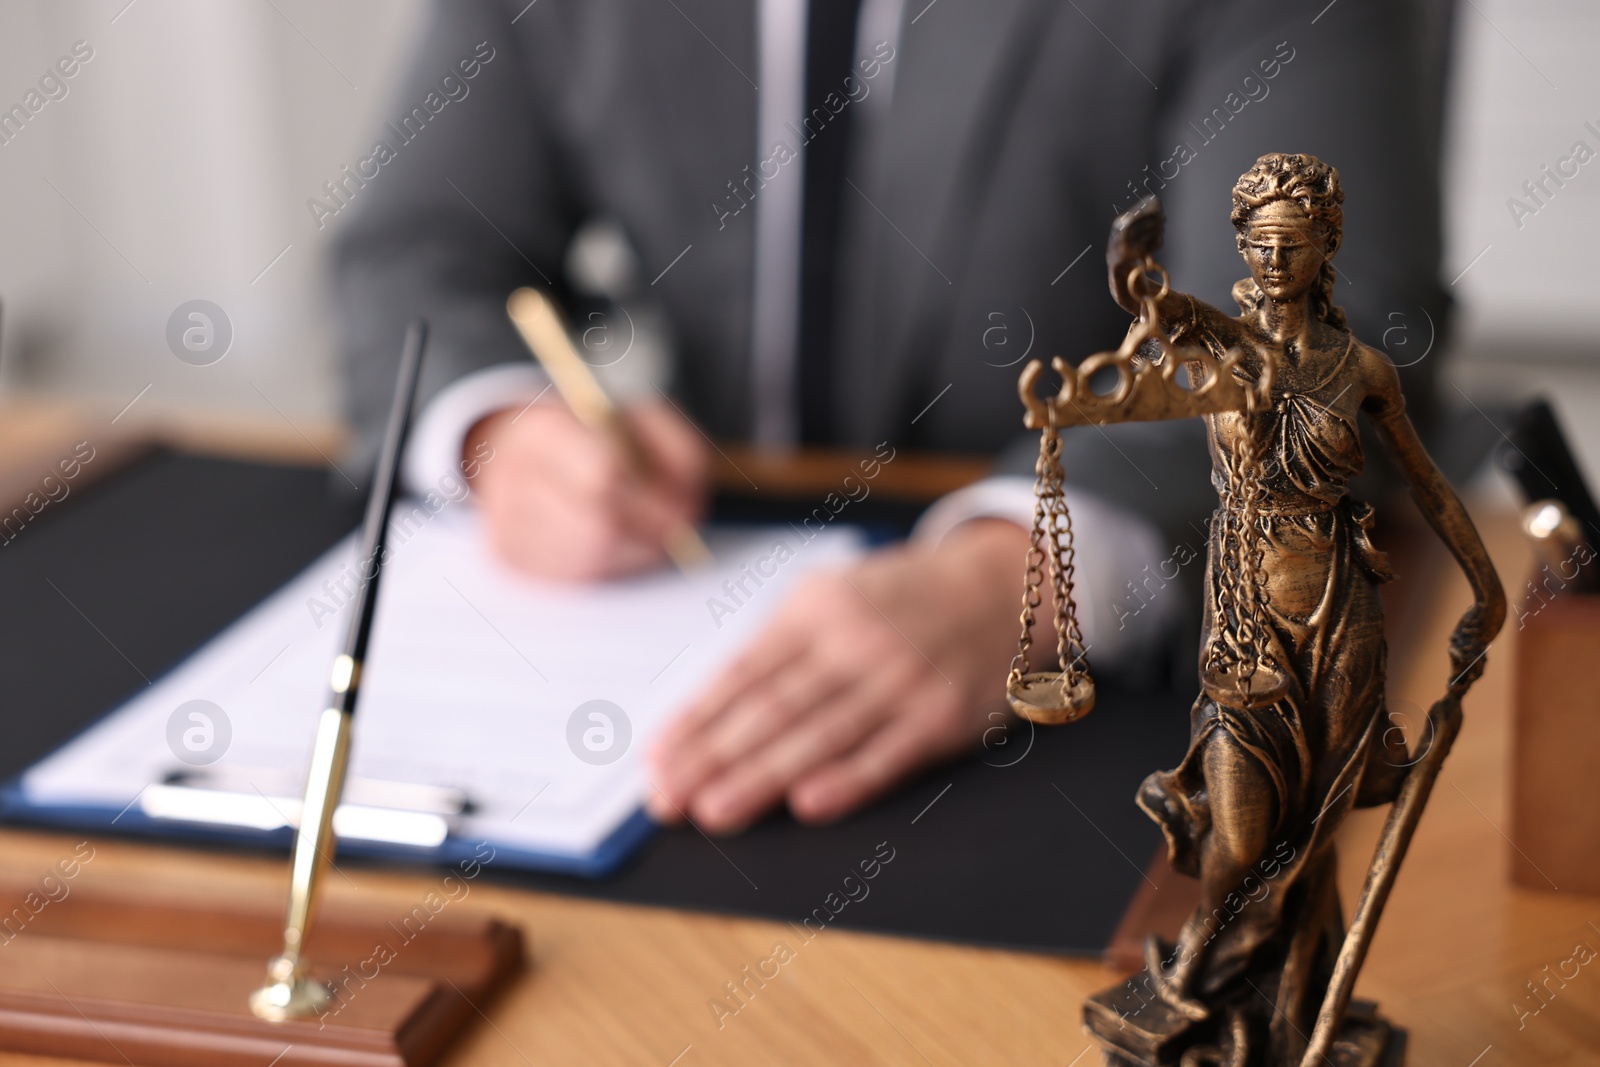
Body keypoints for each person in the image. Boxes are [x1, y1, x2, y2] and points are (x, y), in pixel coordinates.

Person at [331, 0, 1451, 835]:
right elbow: (411, 251)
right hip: (689, 593)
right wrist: (498, 431)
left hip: (1122, 695)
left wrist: (1028, 566)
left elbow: (1309, 344)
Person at [1097, 155, 1502, 1059]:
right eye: (1260, 242)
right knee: (1243, 836)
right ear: (1241, 243)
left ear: (1328, 245)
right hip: (1245, 619)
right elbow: (1148, 306)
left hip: (1342, 613)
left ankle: (1287, 1006)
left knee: (1318, 826)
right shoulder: (1216, 340)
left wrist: (1488, 582)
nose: (1275, 258)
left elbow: (1430, 489)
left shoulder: (1361, 368)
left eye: (1294, 242)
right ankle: (1194, 972)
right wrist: (1136, 262)